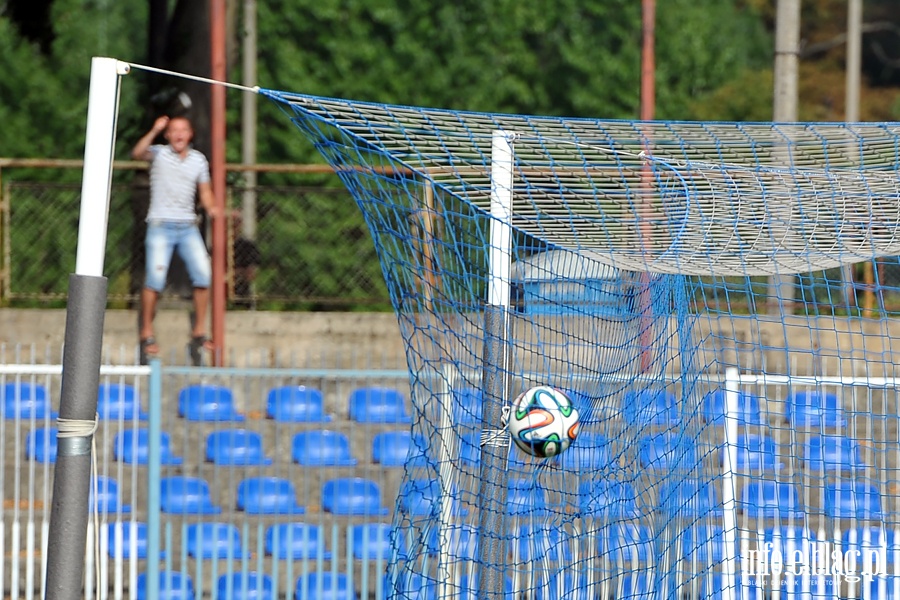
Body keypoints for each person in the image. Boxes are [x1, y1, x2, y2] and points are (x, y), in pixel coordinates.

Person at [131, 115, 219, 362]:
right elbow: (137, 153)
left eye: (183, 130)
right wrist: (154, 128)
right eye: (173, 131)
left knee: (203, 275)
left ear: (190, 134)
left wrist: (213, 210)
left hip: (187, 226)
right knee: (155, 279)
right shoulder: (159, 154)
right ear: (168, 135)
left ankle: (199, 330)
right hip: (160, 225)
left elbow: (205, 193)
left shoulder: (198, 160)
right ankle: (146, 331)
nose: (179, 135)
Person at [230, 210, 261, 309]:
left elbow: (250, 274)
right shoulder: (215, 246)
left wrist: (230, 274)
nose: (233, 226)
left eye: (236, 222)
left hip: (241, 290)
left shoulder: (247, 246)